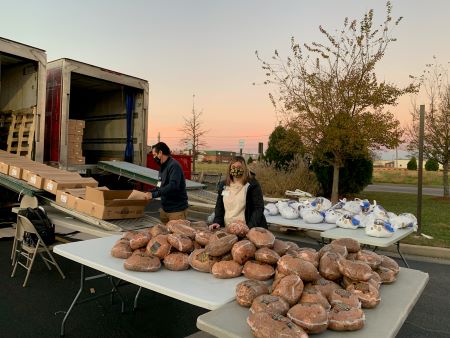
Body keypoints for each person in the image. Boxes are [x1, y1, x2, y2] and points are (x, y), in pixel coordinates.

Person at [210, 156, 267, 230]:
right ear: (230, 168)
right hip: (229, 228)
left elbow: (258, 208)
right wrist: (217, 221)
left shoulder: (252, 184)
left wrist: (249, 227)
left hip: (247, 228)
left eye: (239, 166)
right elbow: (219, 206)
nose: (236, 169)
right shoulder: (224, 185)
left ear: (244, 168)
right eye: (233, 166)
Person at [144, 142, 188, 223]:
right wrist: (148, 192)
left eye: (154, 155)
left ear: (160, 153)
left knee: (177, 235)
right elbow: (159, 186)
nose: (154, 157)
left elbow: (173, 186)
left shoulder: (174, 166)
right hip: (165, 210)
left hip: (176, 211)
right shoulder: (162, 167)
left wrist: (154, 195)